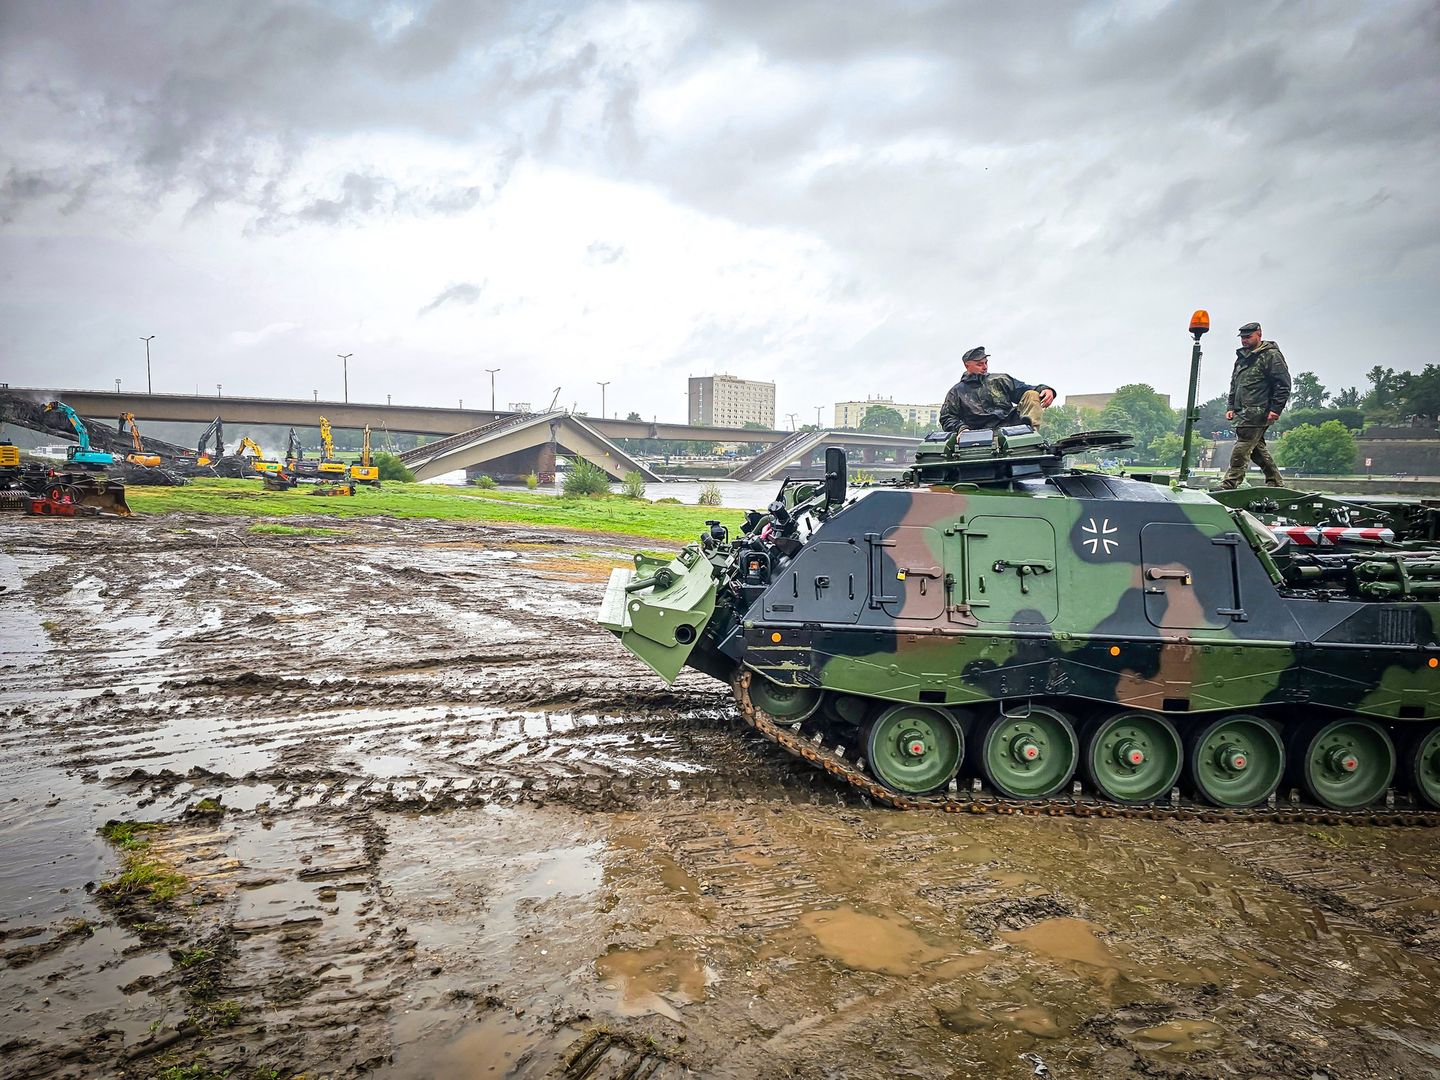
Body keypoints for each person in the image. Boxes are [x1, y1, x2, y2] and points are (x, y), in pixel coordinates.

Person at [1219, 321, 1291, 489]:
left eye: (1248, 337)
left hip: (1259, 411)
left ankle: (1229, 484)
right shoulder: (1242, 359)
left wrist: (1275, 409)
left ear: (1259, 334)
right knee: (1257, 451)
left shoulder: (1271, 355)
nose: (1244, 341)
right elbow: (1234, 385)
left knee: (1242, 447)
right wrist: (1231, 407)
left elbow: (1283, 384)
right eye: (1242, 338)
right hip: (1242, 412)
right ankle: (1275, 482)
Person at [939, 346, 1056, 432]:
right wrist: (961, 429)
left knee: (1032, 394)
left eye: (986, 363)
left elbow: (1023, 389)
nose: (985, 367)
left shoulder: (1000, 380)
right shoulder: (957, 392)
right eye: (979, 364)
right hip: (977, 434)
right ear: (967, 366)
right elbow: (947, 417)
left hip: (1011, 428)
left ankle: (1030, 435)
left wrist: (1044, 389)